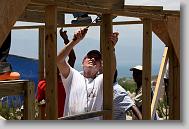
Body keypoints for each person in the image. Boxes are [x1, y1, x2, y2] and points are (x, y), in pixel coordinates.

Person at [57, 28, 118, 119]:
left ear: (100, 66)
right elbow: (59, 60)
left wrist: (112, 48)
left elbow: (111, 70)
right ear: (82, 62)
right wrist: (75, 41)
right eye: (89, 57)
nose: (93, 59)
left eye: (97, 58)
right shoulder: (73, 76)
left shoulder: (100, 80)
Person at [36, 28, 76, 118]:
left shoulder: (67, 79)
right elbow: (39, 104)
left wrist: (66, 39)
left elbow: (72, 58)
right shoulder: (43, 84)